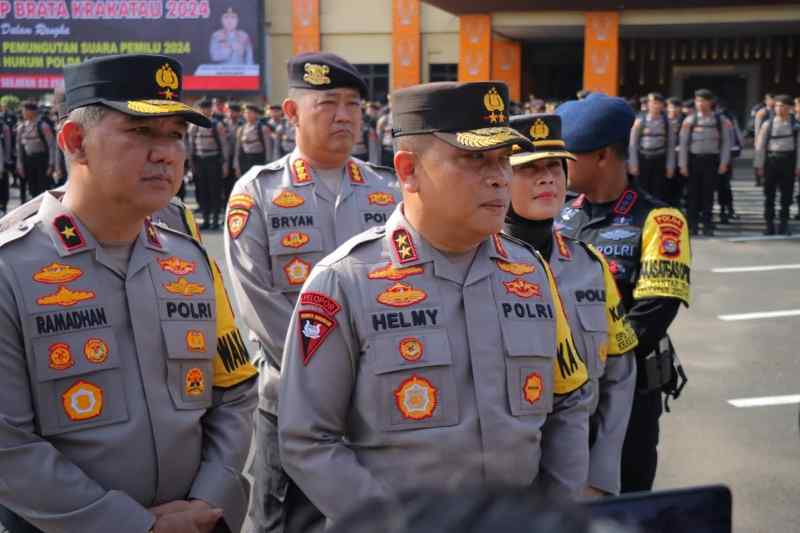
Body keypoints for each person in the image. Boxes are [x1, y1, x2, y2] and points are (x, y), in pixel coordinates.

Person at [278, 80, 592, 528]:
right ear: (408, 170)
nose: (499, 177)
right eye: (473, 159)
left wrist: (550, 514)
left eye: (503, 160)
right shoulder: (344, 282)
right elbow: (307, 439)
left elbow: (569, 402)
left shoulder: (529, 272)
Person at [0, 53, 257, 533]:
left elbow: (234, 391)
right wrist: (133, 526)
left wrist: (210, 498)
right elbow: (8, 445)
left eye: (176, 135)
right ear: (76, 142)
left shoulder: (190, 259)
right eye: (140, 132)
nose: (166, 153)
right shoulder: (11, 268)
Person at [224, 52, 400, 533]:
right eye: (327, 103)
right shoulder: (257, 193)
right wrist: (329, 377)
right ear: (292, 112)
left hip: (380, 403)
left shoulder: (389, 191)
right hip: (291, 404)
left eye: (352, 104)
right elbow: (258, 302)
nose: (344, 115)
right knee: (279, 523)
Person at [555, 93, 691, 493]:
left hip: (626, 391)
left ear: (601, 157)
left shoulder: (659, 220)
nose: (558, 165)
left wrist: (597, 366)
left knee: (625, 499)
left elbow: (653, 312)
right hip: (563, 392)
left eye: (568, 155)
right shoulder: (558, 216)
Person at [506, 113, 638, 498]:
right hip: (504, 484)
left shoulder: (590, 265)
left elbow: (619, 375)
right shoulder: (475, 265)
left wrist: (601, 475)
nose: (547, 178)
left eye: (554, 166)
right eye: (529, 168)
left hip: (579, 476)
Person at [678, 89, 732, 236]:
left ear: (710, 102)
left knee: (708, 194)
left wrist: (724, 162)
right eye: (698, 101)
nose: (700, 104)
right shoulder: (689, 120)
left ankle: (707, 224)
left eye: (703, 101)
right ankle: (692, 225)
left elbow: (727, 142)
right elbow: (683, 144)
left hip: (712, 161)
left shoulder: (720, 120)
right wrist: (682, 164)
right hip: (694, 161)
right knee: (692, 195)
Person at [754, 94, 800, 235]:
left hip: (789, 161)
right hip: (771, 161)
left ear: (790, 108)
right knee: (769, 195)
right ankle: (769, 225)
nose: (779, 109)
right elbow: (760, 146)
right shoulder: (768, 124)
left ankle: (784, 225)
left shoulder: (795, 125)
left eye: (783, 106)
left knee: (786, 196)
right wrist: (759, 165)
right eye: (777, 106)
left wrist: (798, 166)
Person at [188, 97, 229, 230]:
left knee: (215, 191)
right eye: (203, 108)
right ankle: (206, 220)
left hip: (214, 160)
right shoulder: (194, 125)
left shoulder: (217, 124)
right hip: (200, 161)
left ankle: (215, 220)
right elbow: (190, 146)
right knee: (203, 191)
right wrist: (191, 164)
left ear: (211, 109)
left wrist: (225, 164)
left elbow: (224, 145)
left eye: (208, 108)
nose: (205, 110)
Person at [629, 93, 676, 202]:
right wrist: (633, 164)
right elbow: (633, 144)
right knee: (642, 190)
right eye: (652, 103)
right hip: (643, 159)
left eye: (658, 103)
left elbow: (671, 145)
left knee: (658, 190)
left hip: (660, 159)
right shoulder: (640, 121)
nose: (655, 105)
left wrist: (670, 166)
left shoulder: (667, 122)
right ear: (648, 104)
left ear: (662, 105)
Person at [16, 101, 57, 202]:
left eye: (24, 111)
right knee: (31, 188)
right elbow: (19, 148)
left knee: (43, 189)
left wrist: (51, 164)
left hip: (42, 161)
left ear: (32, 111)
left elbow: (51, 145)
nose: (23, 113)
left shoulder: (43, 126)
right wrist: (20, 164)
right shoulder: (22, 127)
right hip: (28, 161)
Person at [234, 103, 272, 179]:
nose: (247, 115)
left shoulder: (262, 128)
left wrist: (268, 163)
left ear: (256, 114)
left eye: (250, 113)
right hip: (245, 159)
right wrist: (236, 164)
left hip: (258, 159)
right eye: (245, 112)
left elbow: (268, 147)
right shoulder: (241, 129)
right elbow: (238, 148)